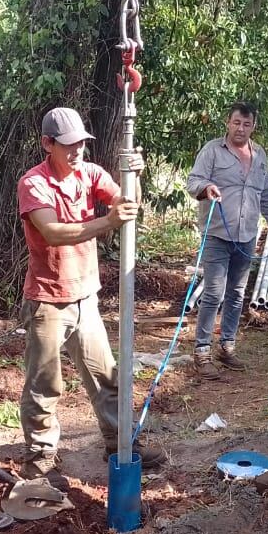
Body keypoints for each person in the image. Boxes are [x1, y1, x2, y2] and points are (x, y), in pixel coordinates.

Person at [16, 107, 165, 478]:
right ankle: (40, 458)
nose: (76, 150)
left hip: (86, 297)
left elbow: (126, 205)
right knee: (44, 383)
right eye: (67, 145)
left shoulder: (90, 173)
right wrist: (107, 222)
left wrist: (133, 177)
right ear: (47, 144)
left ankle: (121, 444)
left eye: (81, 143)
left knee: (106, 377)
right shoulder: (33, 183)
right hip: (48, 300)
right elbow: (53, 232)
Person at [185, 102, 268, 379]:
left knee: (237, 293)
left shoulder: (259, 155)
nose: (240, 128)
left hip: (246, 235)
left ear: (253, 126)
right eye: (236, 123)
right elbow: (193, 181)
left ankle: (226, 347)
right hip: (217, 232)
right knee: (214, 292)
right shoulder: (212, 151)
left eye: (246, 124)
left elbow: (266, 193)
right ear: (227, 123)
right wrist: (206, 188)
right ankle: (202, 351)